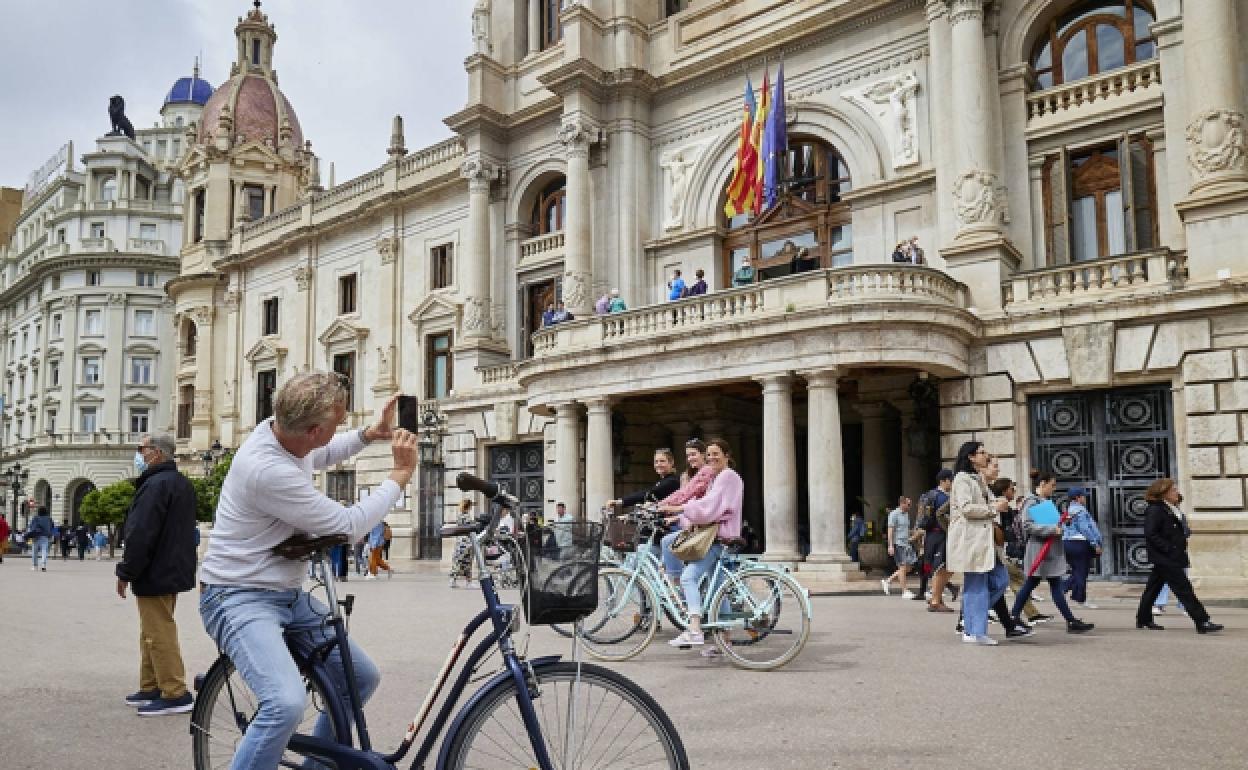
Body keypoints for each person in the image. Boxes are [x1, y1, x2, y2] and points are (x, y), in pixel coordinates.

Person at [198, 373, 417, 766]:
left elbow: (322, 453)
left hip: (286, 594)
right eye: (335, 425)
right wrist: (399, 476)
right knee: (284, 704)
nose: (337, 433)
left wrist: (370, 434)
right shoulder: (267, 469)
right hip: (237, 595)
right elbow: (349, 526)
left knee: (360, 678)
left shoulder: (283, 435)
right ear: (314, 429)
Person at [116, 432, 199, 716]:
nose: (139, 454)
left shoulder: (155, 485)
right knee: (152, 629)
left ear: (157, 453)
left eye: (143, 449)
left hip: (156, 567)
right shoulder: (180, 483)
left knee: (158, 630)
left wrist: (126, 571)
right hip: (172, 566)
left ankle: (175, 692)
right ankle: (151, 685)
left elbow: (141, 533)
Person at [658, 438, 742, 651]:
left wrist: (681, 509)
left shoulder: (727, 476)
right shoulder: (718, 477)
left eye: (716, 453)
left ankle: (695, 629)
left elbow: (710, 505)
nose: (712, 457)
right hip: (719, 535)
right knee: (717, 588)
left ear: (727, 455)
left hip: (718, 536)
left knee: (689, 577)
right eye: (710, 454)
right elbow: (706, 503)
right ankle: (725, 639)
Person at [1008, 470, 1094, 634]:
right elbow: (1028, 525)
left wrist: (1062, 521)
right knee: (1032, 584)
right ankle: (1014, 616)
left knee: (1049, 584)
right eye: (1052, 485)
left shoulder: (1044, 500)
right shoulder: (1030, 501)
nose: (1054, 489)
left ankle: (1069, 621)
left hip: (1049, 549)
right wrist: (1052, 530)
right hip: (1040, 549)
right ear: (1042, 484)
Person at [1135, 478, 1222, 633]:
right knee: (1184, 590)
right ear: (1163, 493)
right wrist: (1169, 548)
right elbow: (1151, 533)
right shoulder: (1156, 509)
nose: (1177, 492)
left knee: (1153, 589)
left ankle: (1143, 618)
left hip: (1170, 556)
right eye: (1173, 490)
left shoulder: (1169, 508)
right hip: (1166, 557)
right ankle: (1202, 621)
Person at [947, 441, 1012, 645]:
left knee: (1000, 580)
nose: (986, 456)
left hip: (984, 540)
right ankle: (975, 630)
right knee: (977, 585)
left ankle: (972, 621)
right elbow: (966, 508)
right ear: (971, 457)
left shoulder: (978, 480)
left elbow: (985, 503)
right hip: (972, 539)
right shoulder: (962, 480)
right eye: (982, 453)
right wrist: (994, 509)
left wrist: (997, 504)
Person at [657, 439, 717, 594]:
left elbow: (686, 493)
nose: (690, 458)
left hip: (705, 525)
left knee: (668, 542)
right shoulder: (697, 472)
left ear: (703, 454)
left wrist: (660, 505)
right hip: (698, 523)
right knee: (714, 579)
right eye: (688, 455)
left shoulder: (706, 472)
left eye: (693, 454)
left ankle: (677, 585)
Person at [991, 475, 1046, 626]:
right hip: (1002, 551)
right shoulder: (999, 507)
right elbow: (1002, 530)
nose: (1014, 491)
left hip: (1007, 551)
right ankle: (1018, 616)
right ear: (1003, 491)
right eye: (1011, 488)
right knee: (1005, 583)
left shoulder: (1009, 508)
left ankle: (1026, 615)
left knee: (1014, 582)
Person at [1061, 487, 1103, 611]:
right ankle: (1079, 597)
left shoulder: (1068, 511)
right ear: (1078, 498)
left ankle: (1067, 590)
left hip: (1067, 543)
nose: (1085, 498)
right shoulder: (1080, 511)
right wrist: (1095, 543)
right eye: (1083, 496)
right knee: (1081, 571)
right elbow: (1085, 528)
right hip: (1079, 543)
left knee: (1077, 571)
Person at [607, 448, 681, 512]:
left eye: (662, 461)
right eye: (656, 461)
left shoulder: (672, 481)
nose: (658, 464)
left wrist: (620, 501)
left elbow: (647, 494)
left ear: (671, 462)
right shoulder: (663, 480)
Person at [1153, 494, 1190, 617]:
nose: (1176, 504)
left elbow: (1186, 532)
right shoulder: (1162, 514)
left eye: (1177, 502)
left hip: (1179, 552)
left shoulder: (1180, 515)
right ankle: (1159, 604)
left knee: (1183, 580)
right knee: (1164, 580)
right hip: (1167, 553)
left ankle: (1185, 605)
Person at [881, 496, 916, 598]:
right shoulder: (894, 514)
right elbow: (890, 530)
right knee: (903, 567)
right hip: (898, 544)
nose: (910, 507)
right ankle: (904, 591)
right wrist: (890, 545)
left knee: (908, 567)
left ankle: (888, 581)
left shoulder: (906, 515)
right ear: (902, 503)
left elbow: (905, 529)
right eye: (908, 504)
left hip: (906, 544)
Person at [449, 499, 476, 588]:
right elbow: (470, 528)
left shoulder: (459, 516)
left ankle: (453, 580)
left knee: (457, 561)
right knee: (467, 562)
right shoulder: (467, 516)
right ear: (468, 506)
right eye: (471, 506)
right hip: (466, 541)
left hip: (459, 541)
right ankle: (468, 582)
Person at [28, 505, 54, 571]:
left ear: (38, 511)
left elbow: (31, 527)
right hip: (45, 537)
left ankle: (35, 566)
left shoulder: (35, 518)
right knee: (44, 551)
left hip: (36, 536)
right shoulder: (49, 519)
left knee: (34, 551)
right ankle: (43, 565)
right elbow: (51, 527)